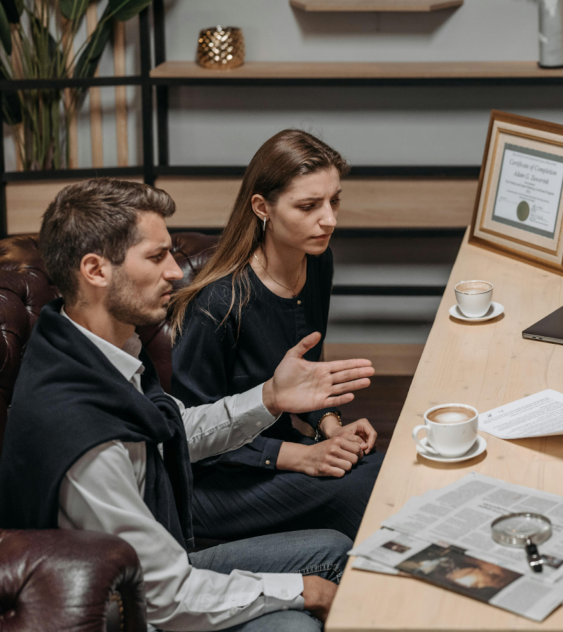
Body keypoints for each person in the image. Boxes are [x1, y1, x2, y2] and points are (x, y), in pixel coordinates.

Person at [0, 179, 374, 630]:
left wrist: (270, 397)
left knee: (332, 549)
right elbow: (165, 597)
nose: (176, 272)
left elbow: (169, 429)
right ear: (96, 271)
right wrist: (300, 591)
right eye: (156, 257)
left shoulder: (82, 343)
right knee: (295, 619)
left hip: (159, 561)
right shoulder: (84, 443)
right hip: (126, 609)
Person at [168, 130, 382, 543]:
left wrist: (332, 430)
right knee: (368, 490)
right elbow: (189, 437)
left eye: (334, 200)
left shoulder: (316, 261)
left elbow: (305, 378)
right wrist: (303, 456)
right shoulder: (218, 302)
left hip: (281, 458)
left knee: (382, 471)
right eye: (309, 206)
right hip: (213, 486)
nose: (330, 219)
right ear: (262, 207)